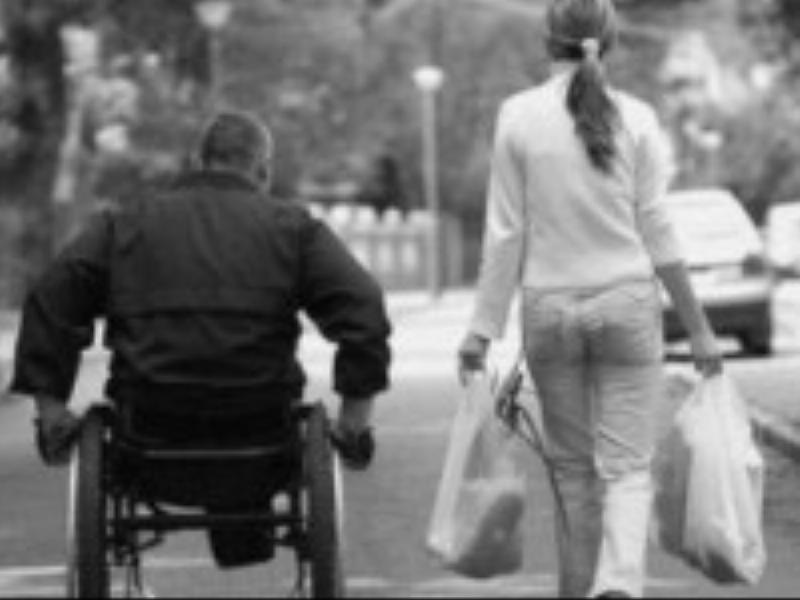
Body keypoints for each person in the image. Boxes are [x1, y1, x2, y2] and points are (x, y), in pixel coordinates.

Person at [9, 110, 392, 566]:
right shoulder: (293, 228)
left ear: (199, 161)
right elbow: (362, 305)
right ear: (263, 170)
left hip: (147, 432)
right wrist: (354, 420)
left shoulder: (124, 224)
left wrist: (51, 409)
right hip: (261, 432)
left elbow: (52, 296)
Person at [457, 0, 722, 598]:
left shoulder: (517, 116)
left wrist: (482, 329)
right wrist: (699, 329)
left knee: (573, 475)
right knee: (627, 470)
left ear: (547, 41)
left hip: (549, 308)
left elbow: (505, 233)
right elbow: (658, 229)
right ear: (611, 42)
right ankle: (618, 585)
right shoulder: (639, 118)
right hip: (626, 305)